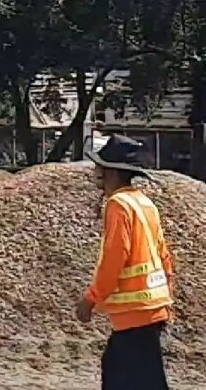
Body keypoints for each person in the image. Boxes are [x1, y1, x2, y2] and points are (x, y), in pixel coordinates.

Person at [75, 135, 174, 390]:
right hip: (153, 308)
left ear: (112, 173)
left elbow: (115, 258)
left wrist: (91, 298)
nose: (97, 173)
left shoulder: (118, 205)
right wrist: (167, 298)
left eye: (101, 168)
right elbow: (164, 256)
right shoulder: (145, 203)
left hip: (135, 313)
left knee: (121, 376)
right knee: (145, 378)